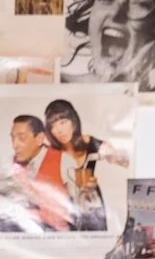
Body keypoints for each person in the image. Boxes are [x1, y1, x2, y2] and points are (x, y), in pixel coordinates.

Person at [43, 97, 125, 234]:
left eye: (63, 122)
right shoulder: (52, 152)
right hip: (66, 207)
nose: (59, 130)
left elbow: (121, 158)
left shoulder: (88, 142)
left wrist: (115, 155)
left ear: (74, 122)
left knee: (96, 245)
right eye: (53, 126)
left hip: (92, 202)